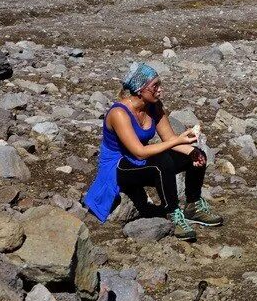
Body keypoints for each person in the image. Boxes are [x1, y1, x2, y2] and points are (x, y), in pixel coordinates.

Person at [83, 62, 223, 240]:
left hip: (139, 162)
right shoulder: (119, 113)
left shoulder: (154, 107)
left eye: (159, 85)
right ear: (140, 89)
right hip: (118, 166)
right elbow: (140, 151)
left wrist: (190, 151)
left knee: (196, 155)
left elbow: (170, 139)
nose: (160, 90)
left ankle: (193, 205)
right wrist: (178, 141)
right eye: (155, 86)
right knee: (162, 162)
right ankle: (172, 212)